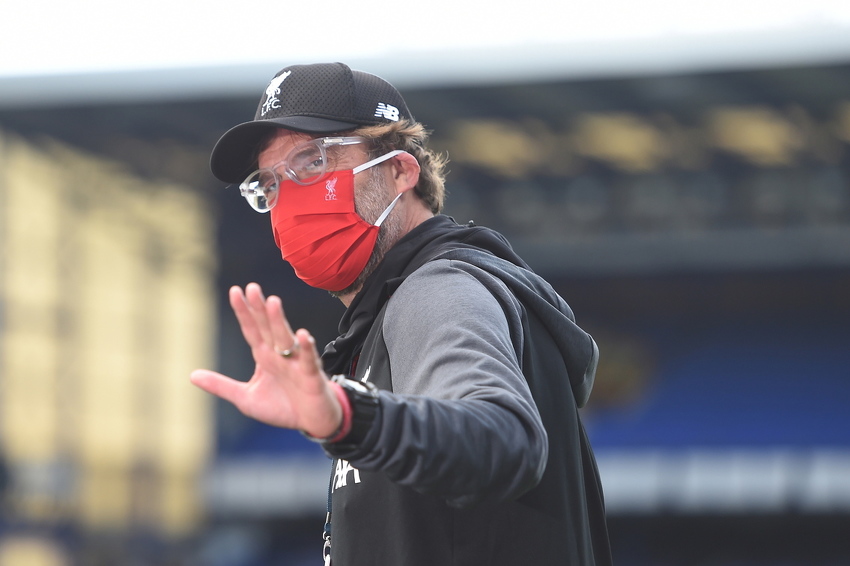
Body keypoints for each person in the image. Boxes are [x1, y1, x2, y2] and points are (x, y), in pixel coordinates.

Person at [191, 62, 612, 566]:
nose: (288, 199)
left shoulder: (434, 291)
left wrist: (349, 417)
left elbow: (505, 439)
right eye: (270, 184)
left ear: (399, 172)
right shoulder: (383, 320)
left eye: (311, 161)